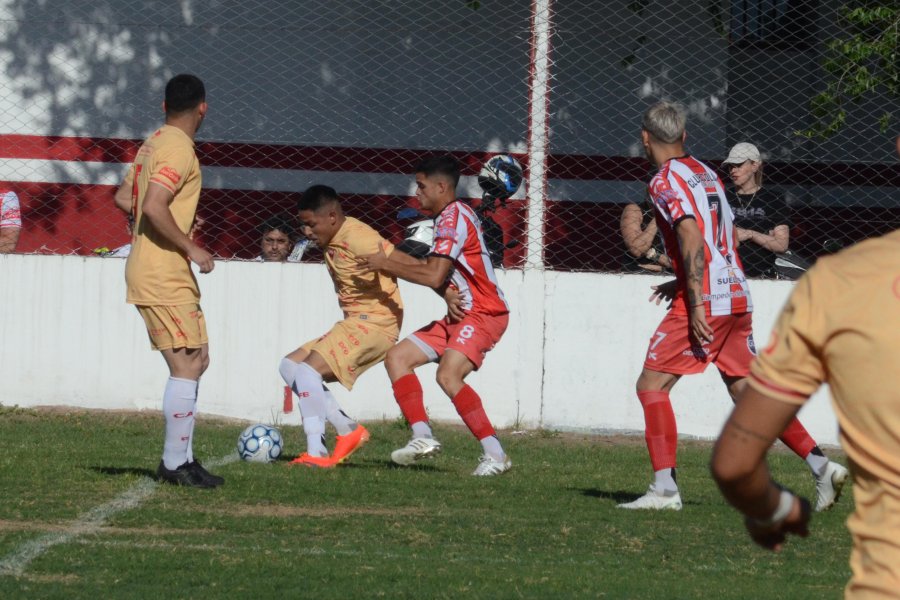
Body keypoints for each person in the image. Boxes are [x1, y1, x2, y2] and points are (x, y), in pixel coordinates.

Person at [619, 100, 846, 510]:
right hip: (736, 290)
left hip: (708, 298)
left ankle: (665, 490)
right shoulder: (706, 173)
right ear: (685, 137)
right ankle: (822, 467)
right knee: (746, 392)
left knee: (651, 386)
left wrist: (697, 300)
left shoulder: (663, 181)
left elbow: (690, 236)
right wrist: (684, 282)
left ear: (645, 138)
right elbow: (718, 236)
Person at [711, 135, 900, 597]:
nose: (733, 171)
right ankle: (820, 467)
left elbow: (734, 463)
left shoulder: (841, 283)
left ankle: (819, 469)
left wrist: (770, 507)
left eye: (739, 166)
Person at [358, 155, 513, 477]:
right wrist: (439, 289)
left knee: (448, 375)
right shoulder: (447, 218)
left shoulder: (454, 216)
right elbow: (432, 273)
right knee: (398, 358)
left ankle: (496, 455)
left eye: (422, 186)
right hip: (462, 314)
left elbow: (432, 274)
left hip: (485, 312)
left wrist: (387, 263)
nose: (418, 193)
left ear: (442, 187)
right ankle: (422, 437)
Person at [112, 74, 222, 488]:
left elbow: (127, 198)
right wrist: (190, 245)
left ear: (164, 107)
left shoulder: (153, 143)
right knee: (186, 363)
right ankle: (174, 464)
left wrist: (174, 226)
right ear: (202, 108)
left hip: (163, 268)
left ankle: (185, 458)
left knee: (198, 359)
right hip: (162, 270)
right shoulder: (178, 149)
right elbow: (155, 205)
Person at [277, 185, 403, 467]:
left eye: (311, 225)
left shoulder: (360, 239)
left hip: (376, 324)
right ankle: (347, 429)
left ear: (332, 216)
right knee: (289, 366)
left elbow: (402, 261)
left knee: (308, 372)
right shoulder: (334, 238)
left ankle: (317, 454)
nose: (307, 232)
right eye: (303, 225)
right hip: (355, 322)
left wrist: (446, 288)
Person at [722, 142, 791, 278]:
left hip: (761, 274)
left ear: (755, 165)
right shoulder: (722, 196)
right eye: (730, 166)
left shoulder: (773, 199)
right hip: (725, 273)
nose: (733, 170)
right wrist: (764, 237)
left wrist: (750, 234)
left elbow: (781, 245)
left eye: (739, 165)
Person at [620, 195, 671, 272]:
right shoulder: (635, 210)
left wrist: (653, 255)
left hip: (671, 272)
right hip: (638, 272)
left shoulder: (680, 214)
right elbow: (637, 250)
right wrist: (659, 216)